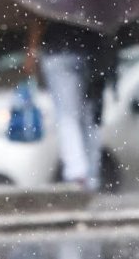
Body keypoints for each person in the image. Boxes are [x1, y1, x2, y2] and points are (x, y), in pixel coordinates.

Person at [25, 19, 118, 192]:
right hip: (92, 53)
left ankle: (77, 174)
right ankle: (90, 174)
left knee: (68, 116)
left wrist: (32, 50)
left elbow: (38, 20)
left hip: (59, 51)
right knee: (89, 117)